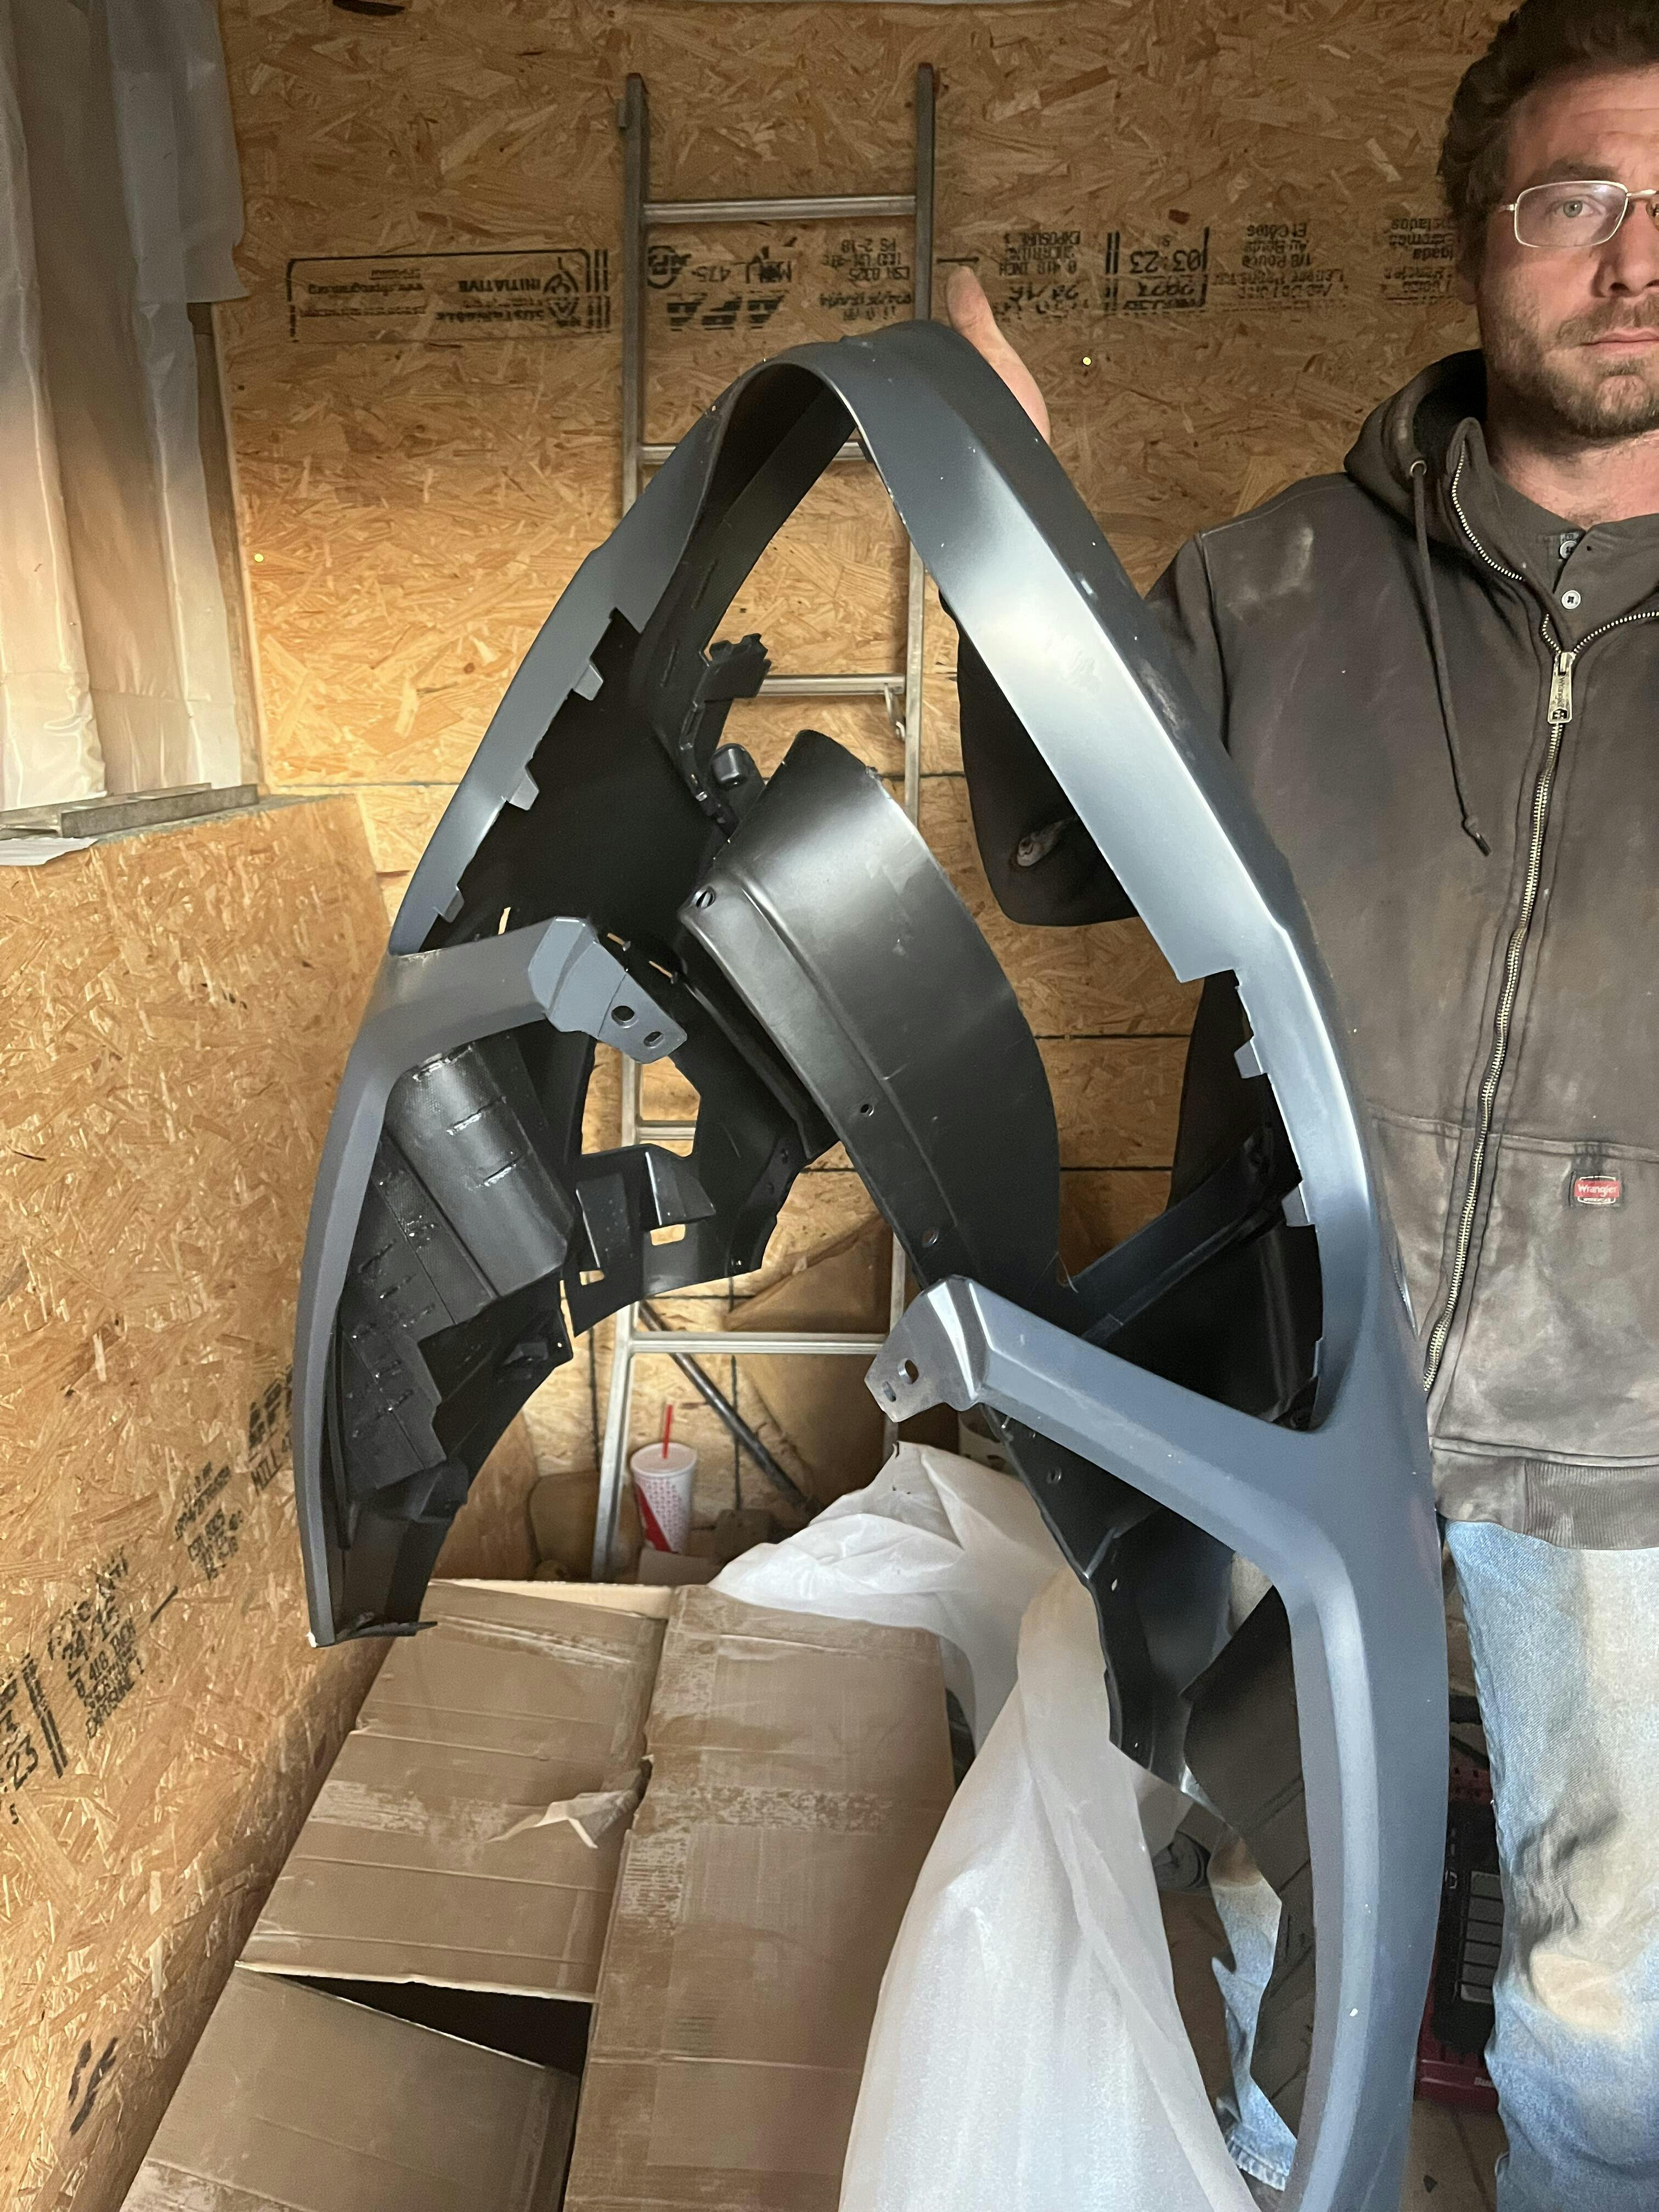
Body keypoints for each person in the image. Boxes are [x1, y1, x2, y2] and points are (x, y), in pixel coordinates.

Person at [947, 5, 1659, 2207]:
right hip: (1297, 1367)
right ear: (1479, 237)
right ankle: (1269, 2175)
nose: (1635, 262)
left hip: (1633, 1412)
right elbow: (1063, 853)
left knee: (1612, 1974)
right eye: (1579, 199)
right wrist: (1014, 543)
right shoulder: (1273, 587)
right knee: (1274, 1868)